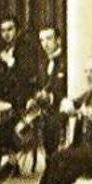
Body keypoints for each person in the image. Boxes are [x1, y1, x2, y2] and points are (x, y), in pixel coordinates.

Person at [25, 26, 68, 157]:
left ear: (59, 40)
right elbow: (39, 84)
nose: (45, 44)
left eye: (49, 39)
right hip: (45, 109)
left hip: (61, 107)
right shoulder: (43, 63)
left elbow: (67, 88)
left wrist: (51, 97)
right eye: (42, 40)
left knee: (52, 124)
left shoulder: (66, 61)